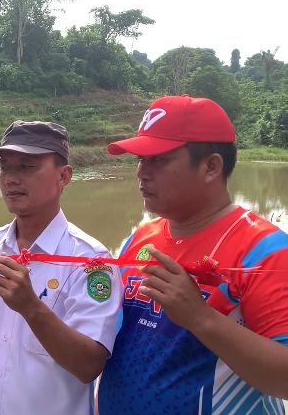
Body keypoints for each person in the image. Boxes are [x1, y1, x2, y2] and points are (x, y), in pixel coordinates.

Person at [97, 95, 288, 414]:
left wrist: (200, 318)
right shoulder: (142, 238)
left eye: (158, 159)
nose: (142, 173)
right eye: (140, 160)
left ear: (211, 166)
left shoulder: (263, 250)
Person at [0, 121, 121, 415]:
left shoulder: (92, 262)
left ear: (64, 176)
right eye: (5, 167)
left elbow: (88, 366)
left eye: (27, 166)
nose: (11, 179)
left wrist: (31, 307)